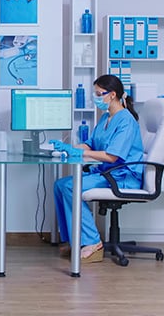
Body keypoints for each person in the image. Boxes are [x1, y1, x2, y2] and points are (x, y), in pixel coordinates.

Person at [50, 74, 143, 263]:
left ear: (113, 94)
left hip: (121, 176)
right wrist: (68, 148)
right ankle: (74, 240)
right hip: (107, 172)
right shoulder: (105, 118)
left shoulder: (126, 121)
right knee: (60, 185)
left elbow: (112, 156)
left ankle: (93, 242)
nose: (96, 98)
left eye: (99, 94)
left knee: (70, 187)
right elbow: (91, 144)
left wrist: (81, 155)